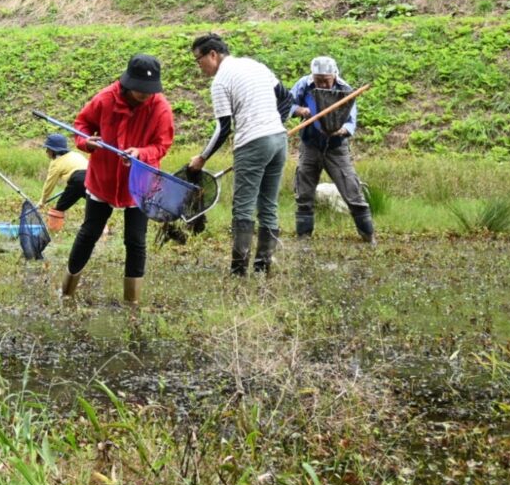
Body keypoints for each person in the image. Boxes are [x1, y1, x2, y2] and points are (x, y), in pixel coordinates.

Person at [61, 54, 174, 304]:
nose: (145, 94)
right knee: (89, 233)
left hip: (140, 181)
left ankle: (132, 302)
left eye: (149, 90)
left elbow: (162, 145)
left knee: (135, 240)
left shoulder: (161, 108)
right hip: (104, 177)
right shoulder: (105, 99)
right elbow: (81, 124)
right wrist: (86, 141)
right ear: (127, 82)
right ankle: (66, 292)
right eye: (140, 89)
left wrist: (141, 153)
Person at [187, 33, 288, 276]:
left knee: (243, 207)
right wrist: (274, 123)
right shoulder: (255, 65)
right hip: (278, 139)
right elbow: (286, 97)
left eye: (199, 59)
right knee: (268, 204)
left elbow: (223, 128)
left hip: (252, 143)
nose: (199, 66)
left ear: (213, 54)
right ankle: (262, 267)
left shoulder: (221, 81)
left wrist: (202, 158)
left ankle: (238, 271)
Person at [289, 56, 375, 243]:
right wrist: (300, 110)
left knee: (352, 190)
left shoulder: (344, 90)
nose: (322, 84)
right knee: (304, 193)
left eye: (326, 81)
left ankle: (368, 237)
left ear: (334, 76)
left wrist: (341, 130)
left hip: (336, 147)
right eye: (318, 80)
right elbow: (288, 104)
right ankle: (303, 239)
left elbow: (350, 122)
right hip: (310, 144)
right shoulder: (304, 85)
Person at [38, 133, 88, 232]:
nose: (46, 151)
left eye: (47, 149)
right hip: (92, 179)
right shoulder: (75, 154)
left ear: (53, 150)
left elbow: (49, 184)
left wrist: (42, 200)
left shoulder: (56, 163)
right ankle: (103, 230)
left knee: (59, 208)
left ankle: (53, 231)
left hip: (77, 181)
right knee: (95, 206)